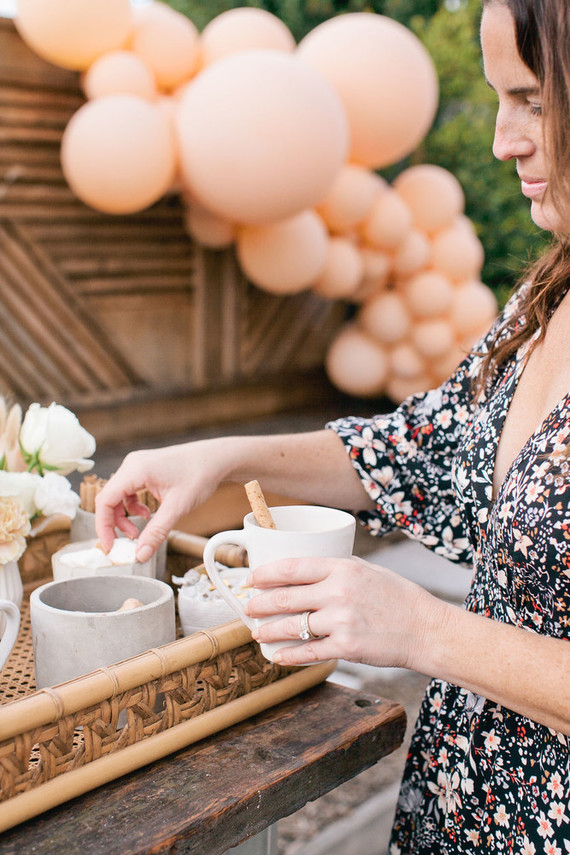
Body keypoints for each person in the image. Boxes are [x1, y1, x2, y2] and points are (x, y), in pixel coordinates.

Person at [96, 0, 570, 849]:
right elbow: (427, 451)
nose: (503, 140)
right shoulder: (550, 295)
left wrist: (420, 627)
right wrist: (218, 457)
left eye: (534, 99)